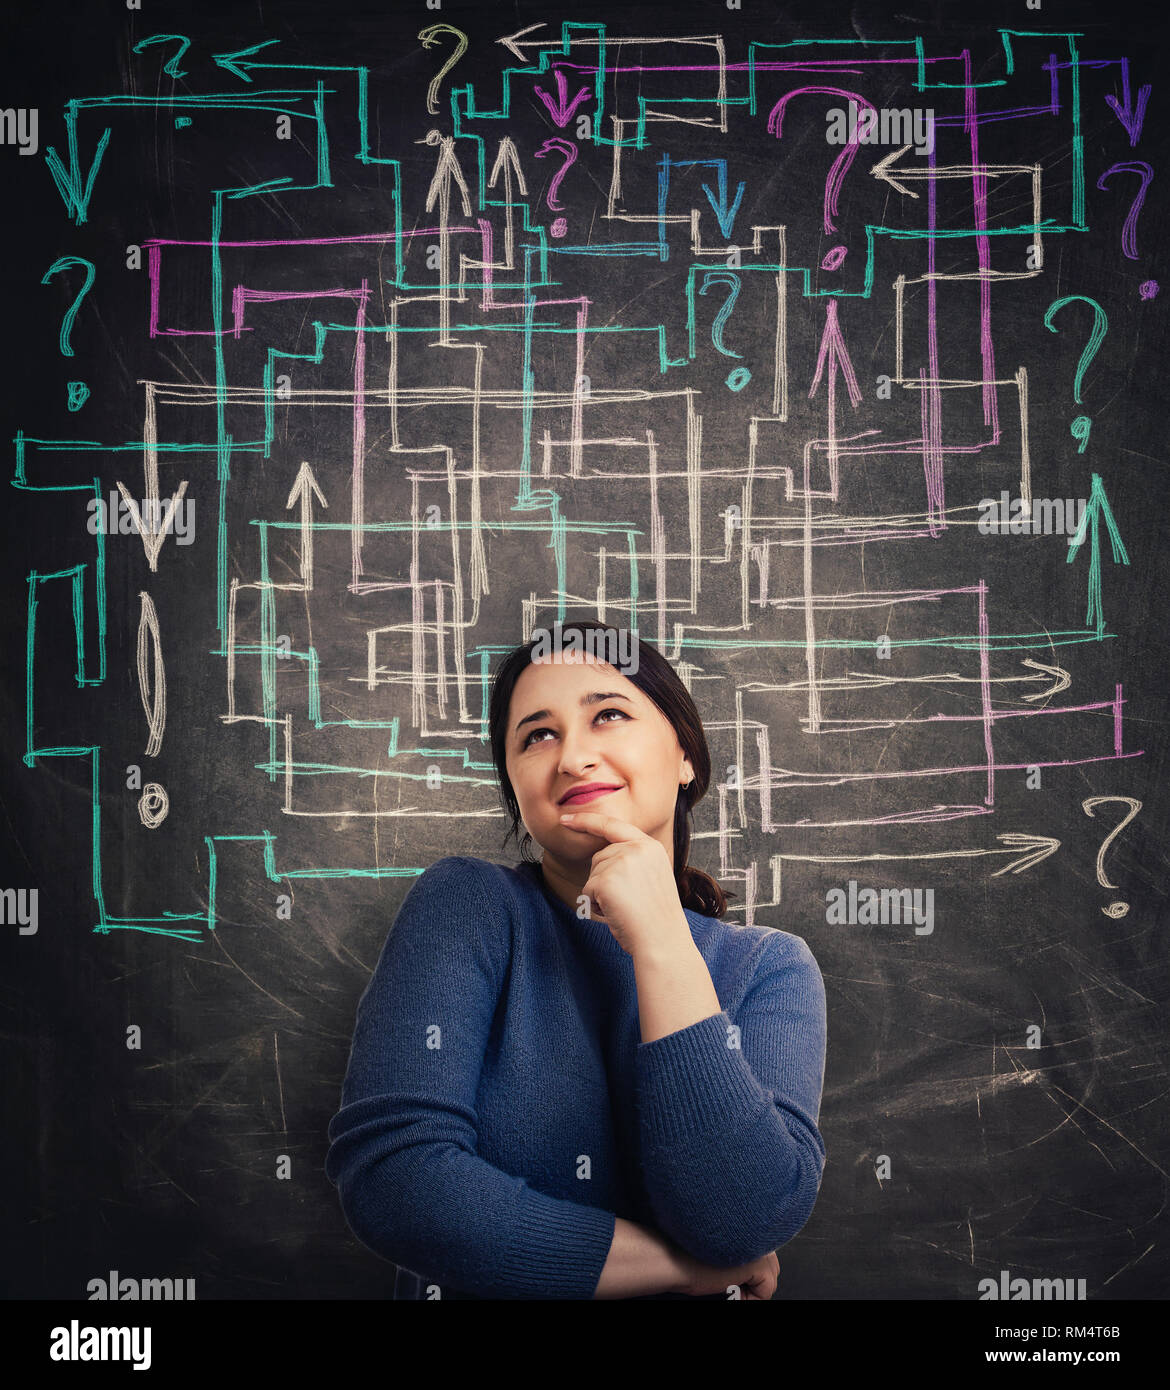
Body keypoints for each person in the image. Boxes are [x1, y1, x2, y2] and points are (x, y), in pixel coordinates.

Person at [325, 620, 827, 1299]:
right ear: (514, 786)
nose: (571, 758)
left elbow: (740, 1219)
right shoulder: (468, 906)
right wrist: (683, 1270)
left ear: (686, 754)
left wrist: (659, 937)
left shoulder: (770, 969)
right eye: (538, 735)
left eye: (609, 716)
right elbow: (397, 1180)